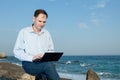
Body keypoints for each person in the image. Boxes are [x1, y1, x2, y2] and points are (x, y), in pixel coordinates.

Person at [13, 9, 60, 80]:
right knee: (48, 66)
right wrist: (32, 58)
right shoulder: (24, 32)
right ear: (34, 19)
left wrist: (46, 56)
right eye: (40, 21)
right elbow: (16, 51)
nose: (42, 24)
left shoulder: (47, 33)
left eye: (44, 22)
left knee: (50, 65)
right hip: (29, 63)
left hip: (43, 62)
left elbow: (51, 50)